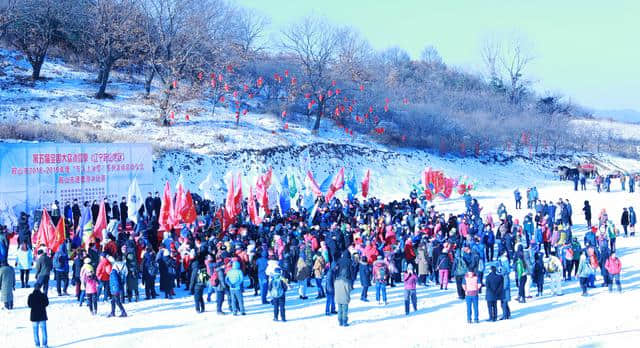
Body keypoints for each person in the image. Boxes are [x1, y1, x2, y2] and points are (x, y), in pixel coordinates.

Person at [335, 250, 353, 326]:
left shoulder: (339, 260)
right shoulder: (349, 261)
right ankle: (345, 321)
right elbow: (349, 289)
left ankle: (340, 320)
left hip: (338, 296)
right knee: (345, 309)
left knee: (339, 309)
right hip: (346, 279)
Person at [28, 283, 49, 348]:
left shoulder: (31, 296)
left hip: (34, 316)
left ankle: (37, 345)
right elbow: (46, 303)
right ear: (40, 288)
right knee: (44, 331)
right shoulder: (43, 295)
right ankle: (44, 345)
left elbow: (29, 305)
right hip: (42, 315)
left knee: (35, 331)